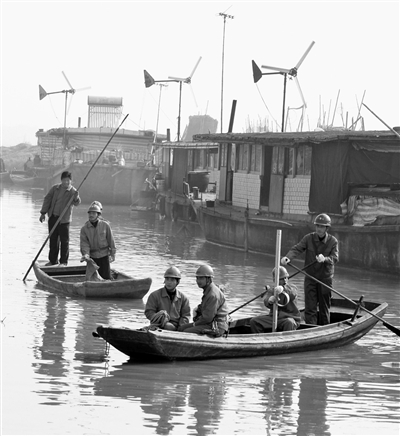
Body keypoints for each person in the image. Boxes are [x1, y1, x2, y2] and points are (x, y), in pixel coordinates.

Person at [281, 213, 339, 325]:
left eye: (322, 227)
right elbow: (297, 249)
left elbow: (335, 258)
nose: (319, 229)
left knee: (324, 308)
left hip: (325, 280)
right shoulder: (308, 238)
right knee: (310, 307)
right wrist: (288, 257)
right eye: (317, 226)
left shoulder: (333, 241)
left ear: (327, 228)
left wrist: (325, 259)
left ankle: (324, 329)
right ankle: (311, 328)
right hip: (310, 278)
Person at [39, 171, 81, 266]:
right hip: (53, 218)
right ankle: (53, 261)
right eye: (64, 180)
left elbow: (77, 203)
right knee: (53, 240)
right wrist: (43, 213)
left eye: (68, 180)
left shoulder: (73, 191)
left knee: (64, 242)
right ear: (61, 180)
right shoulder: (55, 188)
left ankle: (63, 262)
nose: (66, 182)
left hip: (64, 221)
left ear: (71, 181)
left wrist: (76, 197)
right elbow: (47, 199)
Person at [178, 264, 229, 336]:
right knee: (182, 328)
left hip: (216, 327)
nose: (198, 281)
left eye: (201, 278)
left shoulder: (212, 295)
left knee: (186, 331)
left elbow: (207, 318)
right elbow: (204, 309)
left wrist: (193, 324)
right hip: (211, 323)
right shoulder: (208, 291)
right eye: (197, 278)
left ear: (209, 279)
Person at [250, 266, 301, 333]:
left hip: (290, 317)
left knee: (289, 322)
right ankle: (260, 340)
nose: (285, 280)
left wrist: (283, 289)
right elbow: (266, 301)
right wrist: (269, 301)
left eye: (286, 278)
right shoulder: (272, 290)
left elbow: (293, 293)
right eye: (282, 279)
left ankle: (285, 342)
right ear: (275, 280)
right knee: (254, 321)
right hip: (274, 318)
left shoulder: (292, 287)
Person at [145, 266, 190, 331]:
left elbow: (185, 316)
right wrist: (162, 321)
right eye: (167, 279)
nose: (169, 282)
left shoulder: (183, 299)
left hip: (176, 328)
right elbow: (149, 312)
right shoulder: (154, 295)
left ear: (177, 282)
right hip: (158, 326)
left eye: (172, 280)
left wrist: (180, 329)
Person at [80, 201, 116, 280]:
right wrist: (86, 254)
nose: (91, 215)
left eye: (93, 213)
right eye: (90, 213)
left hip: (104, 256)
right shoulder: (84, 229)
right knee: (93, 279)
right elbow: (84, 244)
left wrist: (113, 254)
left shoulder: (105, 225)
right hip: (92, 258)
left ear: (98, 215)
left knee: (106, 277)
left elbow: (111, 240)